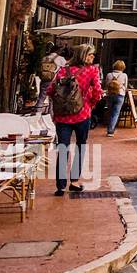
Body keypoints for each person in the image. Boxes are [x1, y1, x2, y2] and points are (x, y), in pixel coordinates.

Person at [50, 44, 103, 197]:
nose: (93, 58)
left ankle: (60, 186)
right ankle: (73, 182)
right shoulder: (92, 70)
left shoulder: (63, 70)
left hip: (62, 116)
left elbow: (51, 90)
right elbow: (98, 92)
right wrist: (90, 104)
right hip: (83, 114)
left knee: (62, 148)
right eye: (90, 55)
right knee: (80, 147)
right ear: (83, 55)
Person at [103, 60, 129, 136]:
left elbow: (106, 85)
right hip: (120, 94)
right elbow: (126, 86)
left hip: (110, 95)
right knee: (116, 113)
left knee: (109, 111)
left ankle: (109, 127)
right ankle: (110, 131)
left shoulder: (109, 75)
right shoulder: (124, 75)